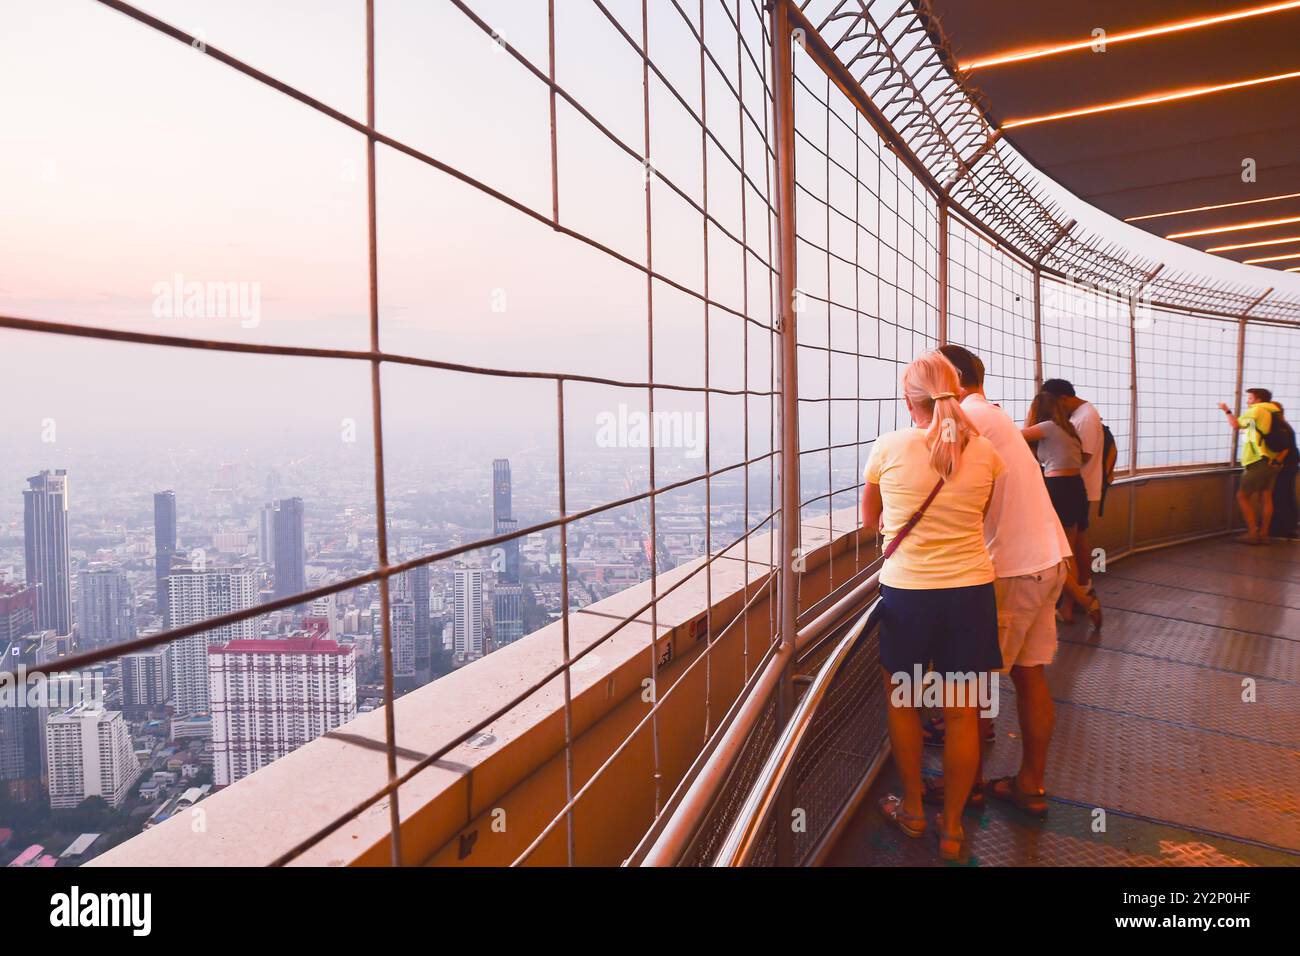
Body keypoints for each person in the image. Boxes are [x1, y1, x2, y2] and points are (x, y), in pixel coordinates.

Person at [862, 350, 1004, 861]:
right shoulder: (984, 451)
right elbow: (981, 517)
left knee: (904, 703)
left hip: (908, 596)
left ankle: (915, 810)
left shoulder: (889, 447)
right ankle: (952, 830)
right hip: (970, 595)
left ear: (908, 399)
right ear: (955, 390)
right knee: (963, 713)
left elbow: (870, 523)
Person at [936, 345, 1072, 817]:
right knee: (1030, 673)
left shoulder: (967, 417)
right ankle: (1029, 785)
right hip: (1047, 559)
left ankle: (966, 787)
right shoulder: (994, 415)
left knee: (968, 684)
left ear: (951, 378)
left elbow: (933, 483)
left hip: (1012, 567)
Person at [1023, 389, 1103, 629]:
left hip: (1057, 489)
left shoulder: (1046, 427)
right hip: (1075, 488)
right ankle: (1067, 609)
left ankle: (1084, 600)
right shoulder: (1069, 430)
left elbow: (1012, 437)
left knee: (1054, 553)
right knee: (1067, 552)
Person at [1039, 379, 1105, 604]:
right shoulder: (1080, 417)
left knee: (1071, 547)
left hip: (1070, 485)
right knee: (1076, 542)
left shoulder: (1084, 418)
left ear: (1063, 399)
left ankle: (1080, 594)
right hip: (1078, 487)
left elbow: (1083, 455)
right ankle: (1082, 590)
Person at [1219, 387, 1282, 545]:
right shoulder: (1274, 412)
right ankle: (1264, 533)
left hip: (1257, 460)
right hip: (1272, 460)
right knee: (1267, 496)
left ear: (1258, 400)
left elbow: (1235, 424)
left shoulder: (1256, 410)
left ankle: (1252, 533)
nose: (1247, 401)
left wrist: (1226, 410)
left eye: (1250, 398)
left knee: (1242, 496)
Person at [1269, 402, 1298, 541]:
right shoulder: (1285, 425)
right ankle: (1288, 527)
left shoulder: (1278, 426)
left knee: (1279, 495)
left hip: (1284, 465)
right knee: (1286, 494)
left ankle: (1280, 529)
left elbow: (1284, 448)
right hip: (1292, 463)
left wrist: (1276, 462)